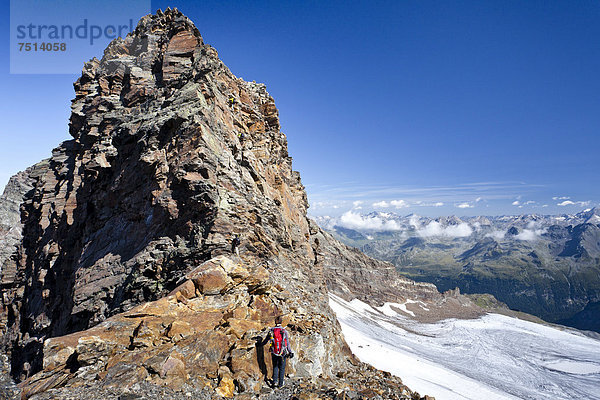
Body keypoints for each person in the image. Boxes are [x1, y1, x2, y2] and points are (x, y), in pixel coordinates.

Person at [264, 315, 293, 388]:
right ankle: (280, 384)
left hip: (274, 352)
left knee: (275, 367)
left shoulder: (271, 331)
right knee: (282, 368)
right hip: (282, 352)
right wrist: (290, 352)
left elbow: (265, 341)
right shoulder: (284, 331)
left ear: (275, 322)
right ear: (281, 322)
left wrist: (259, 344)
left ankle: (274, 382)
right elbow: (287, 343)